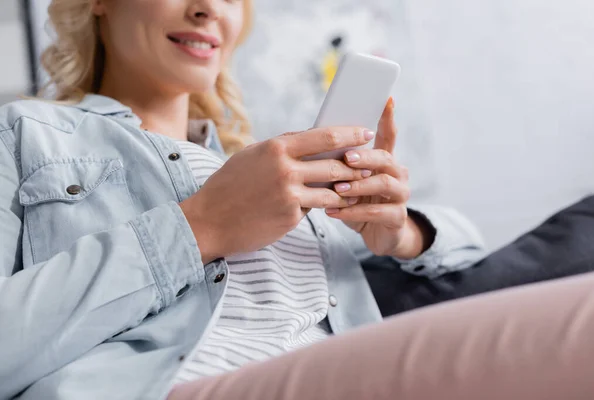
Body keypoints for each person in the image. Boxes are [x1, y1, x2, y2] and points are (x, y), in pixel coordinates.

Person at [0, 0, 484, 399]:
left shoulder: (274, 172)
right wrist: (200, 226)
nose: (210, 8)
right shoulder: (24, 135)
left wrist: (401, 232)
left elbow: (472, 248)